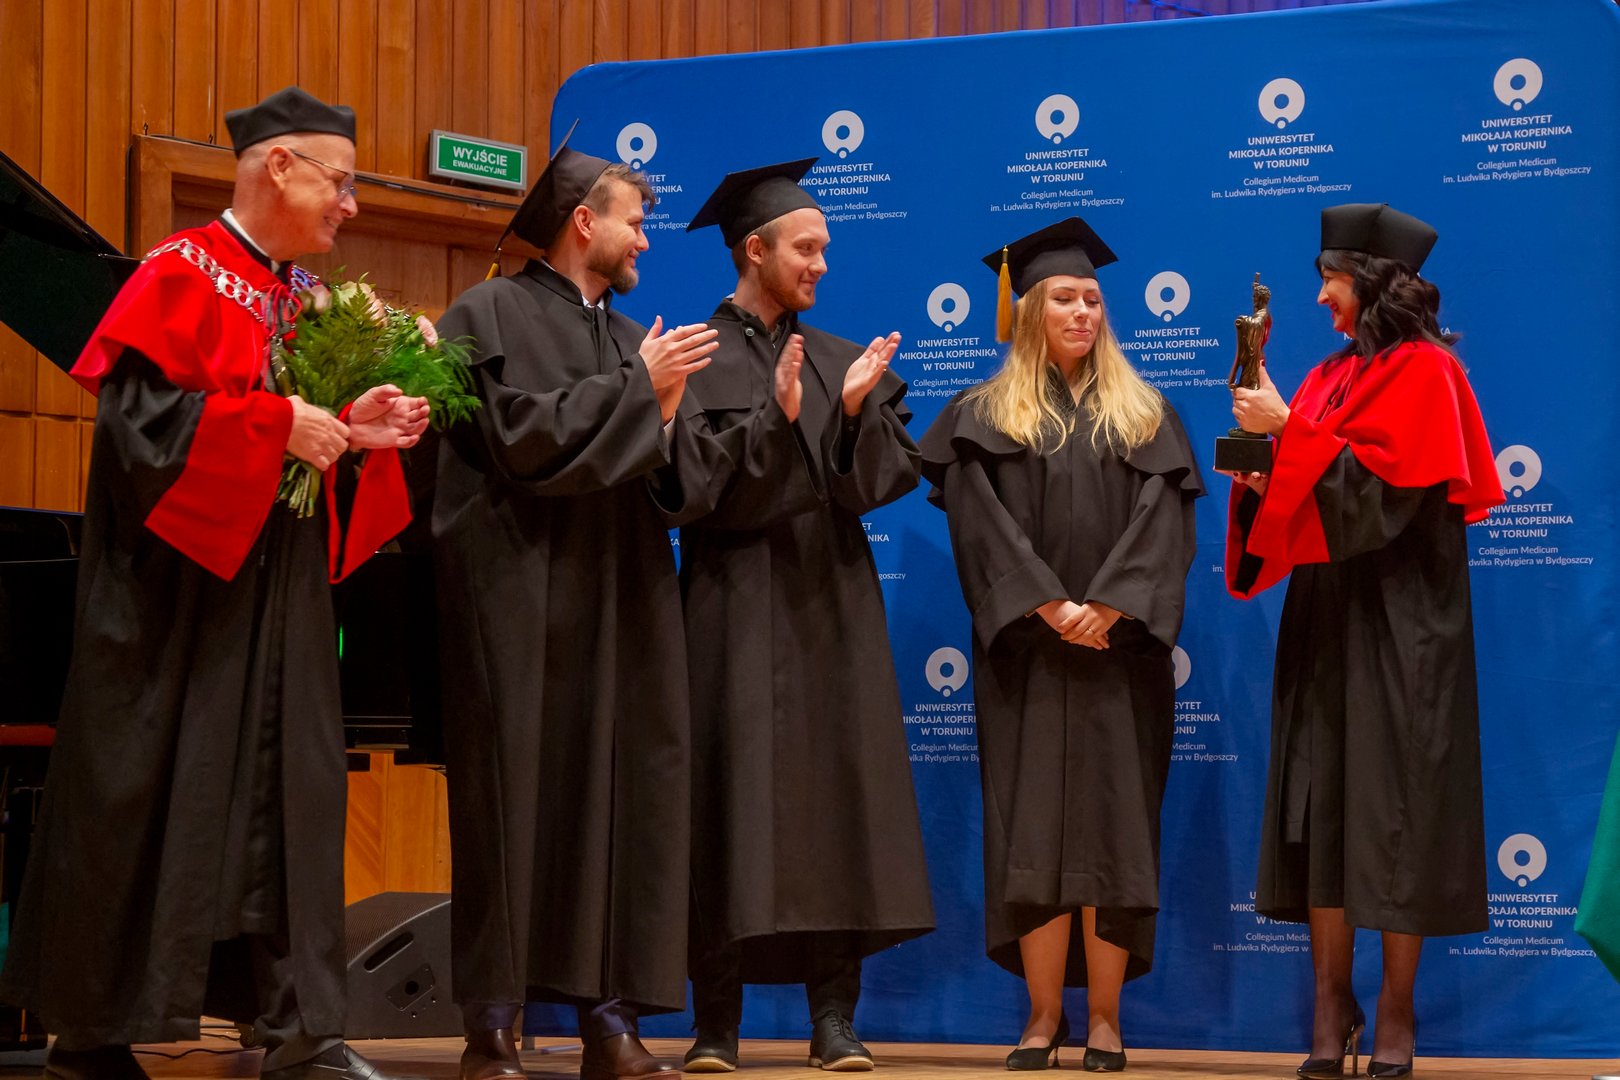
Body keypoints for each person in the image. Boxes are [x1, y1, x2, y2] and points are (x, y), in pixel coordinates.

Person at [0, 86, 430, 1080]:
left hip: (278, 604)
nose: (352, 205)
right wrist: (279, 426)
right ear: (279, 166)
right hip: (175, 610)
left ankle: (299, 1030)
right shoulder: (180, 275)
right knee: (139, 798)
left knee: (295, 800)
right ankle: (93, 1035)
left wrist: (353, 429)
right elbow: (139, 439)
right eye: (341, 182)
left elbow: (303, 446)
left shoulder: (303, 300)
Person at [431, 140, 806, 1080]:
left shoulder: (632, 335)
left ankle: (609, 1019)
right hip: (519, 599)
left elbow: (681, 488)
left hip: (623, 603)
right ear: (581, 221)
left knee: (624, 802)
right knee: (514, 803)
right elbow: (519, 441)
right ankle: (493, 1024)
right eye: (633, 222)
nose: (644, 239)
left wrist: (669, 411)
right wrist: (643, 389)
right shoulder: (488, 312)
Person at [1224, 203, 1502, 1080]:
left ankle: (1396, 1009)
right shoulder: (1325, 377)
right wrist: (1259, 472)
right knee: (1323, 807)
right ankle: (1328, 1004)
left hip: (1402, 623)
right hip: (1326, 616)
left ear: (1372, 280)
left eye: (1330, 280)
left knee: (1398, 811)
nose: (1319, 298)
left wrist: (1287, 434)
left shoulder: (1428, 373)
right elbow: (1304, 489)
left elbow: (1382, 500)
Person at [918, 218, 1202, 1074]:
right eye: (1065, 298)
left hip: (1121, 658)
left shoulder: (1146, 414)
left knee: (1115, 832)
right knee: (1032, 833)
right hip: (1027, 658)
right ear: (1030, 309)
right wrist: (1044, 603)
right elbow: (980, 526)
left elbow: (1165, 524)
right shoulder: (982, 415)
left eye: (1093, 300)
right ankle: (1043, 1017)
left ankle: (1106, 1020)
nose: (1083, 312)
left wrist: (1109, 606)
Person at [677, 160, 934, 1074]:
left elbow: (880, 483)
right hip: (731, 608)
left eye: (825, 248)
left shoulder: (839, 358)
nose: (822, 263)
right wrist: (778, 425)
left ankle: (834, 1019)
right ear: (755, 250)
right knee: (725, 803)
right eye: (807, 248)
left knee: (837, 805)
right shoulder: (692, 358)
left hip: (830, 607)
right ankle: (716, 1025)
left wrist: (853, 412)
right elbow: (688, 492)